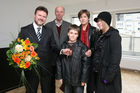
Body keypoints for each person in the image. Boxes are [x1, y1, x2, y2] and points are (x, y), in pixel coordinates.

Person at [18, 6, 59, 93]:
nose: (41, 18)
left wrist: (62, 50)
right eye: (39, 15)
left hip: (46, 69)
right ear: (34, 15)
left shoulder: (49, 31)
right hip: (31, 69)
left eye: (44, 16)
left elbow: (54, 46)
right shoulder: (24, 30)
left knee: (47, 91)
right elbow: (19, 49)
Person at [93, 11, 122, 93]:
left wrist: (107, 79)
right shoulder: (99, 35)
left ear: (106, 21)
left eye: (100, 21)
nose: (98, 23)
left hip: (107, 77)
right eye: (97, 21)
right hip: (99, 74)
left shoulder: (114, 36)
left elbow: (115, 60)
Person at [45, 6, 71, 93]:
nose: (59, 13)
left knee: (66, 81)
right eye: (57, 11)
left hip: (65, 57)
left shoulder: (69, 25)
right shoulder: (48, 26)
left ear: (63, 13)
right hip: (51, 57)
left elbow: (71, 41)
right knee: (50, 81)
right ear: (55, 13)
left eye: (61, 12)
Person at [57, 24, 89, 93]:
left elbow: (85, 65)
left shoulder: (83, 47)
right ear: (68, 33)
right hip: (66, 78)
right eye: (71, 33)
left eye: (75, 33)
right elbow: (59, 62)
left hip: (78, 80)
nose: (73, 35)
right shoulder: (63, 46)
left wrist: (83, 79)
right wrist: (60, 76)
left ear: (78, 35)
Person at [78, 9, 99, 93]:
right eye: (81, 17)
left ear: (88, 18)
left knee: (90, 86)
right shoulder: (77, 29)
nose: (82, 19)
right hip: (79, 60)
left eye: (84, 17)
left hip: (90, 61)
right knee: (79, 85)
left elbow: (97, 46)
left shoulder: (95, 30)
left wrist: (91, 50)